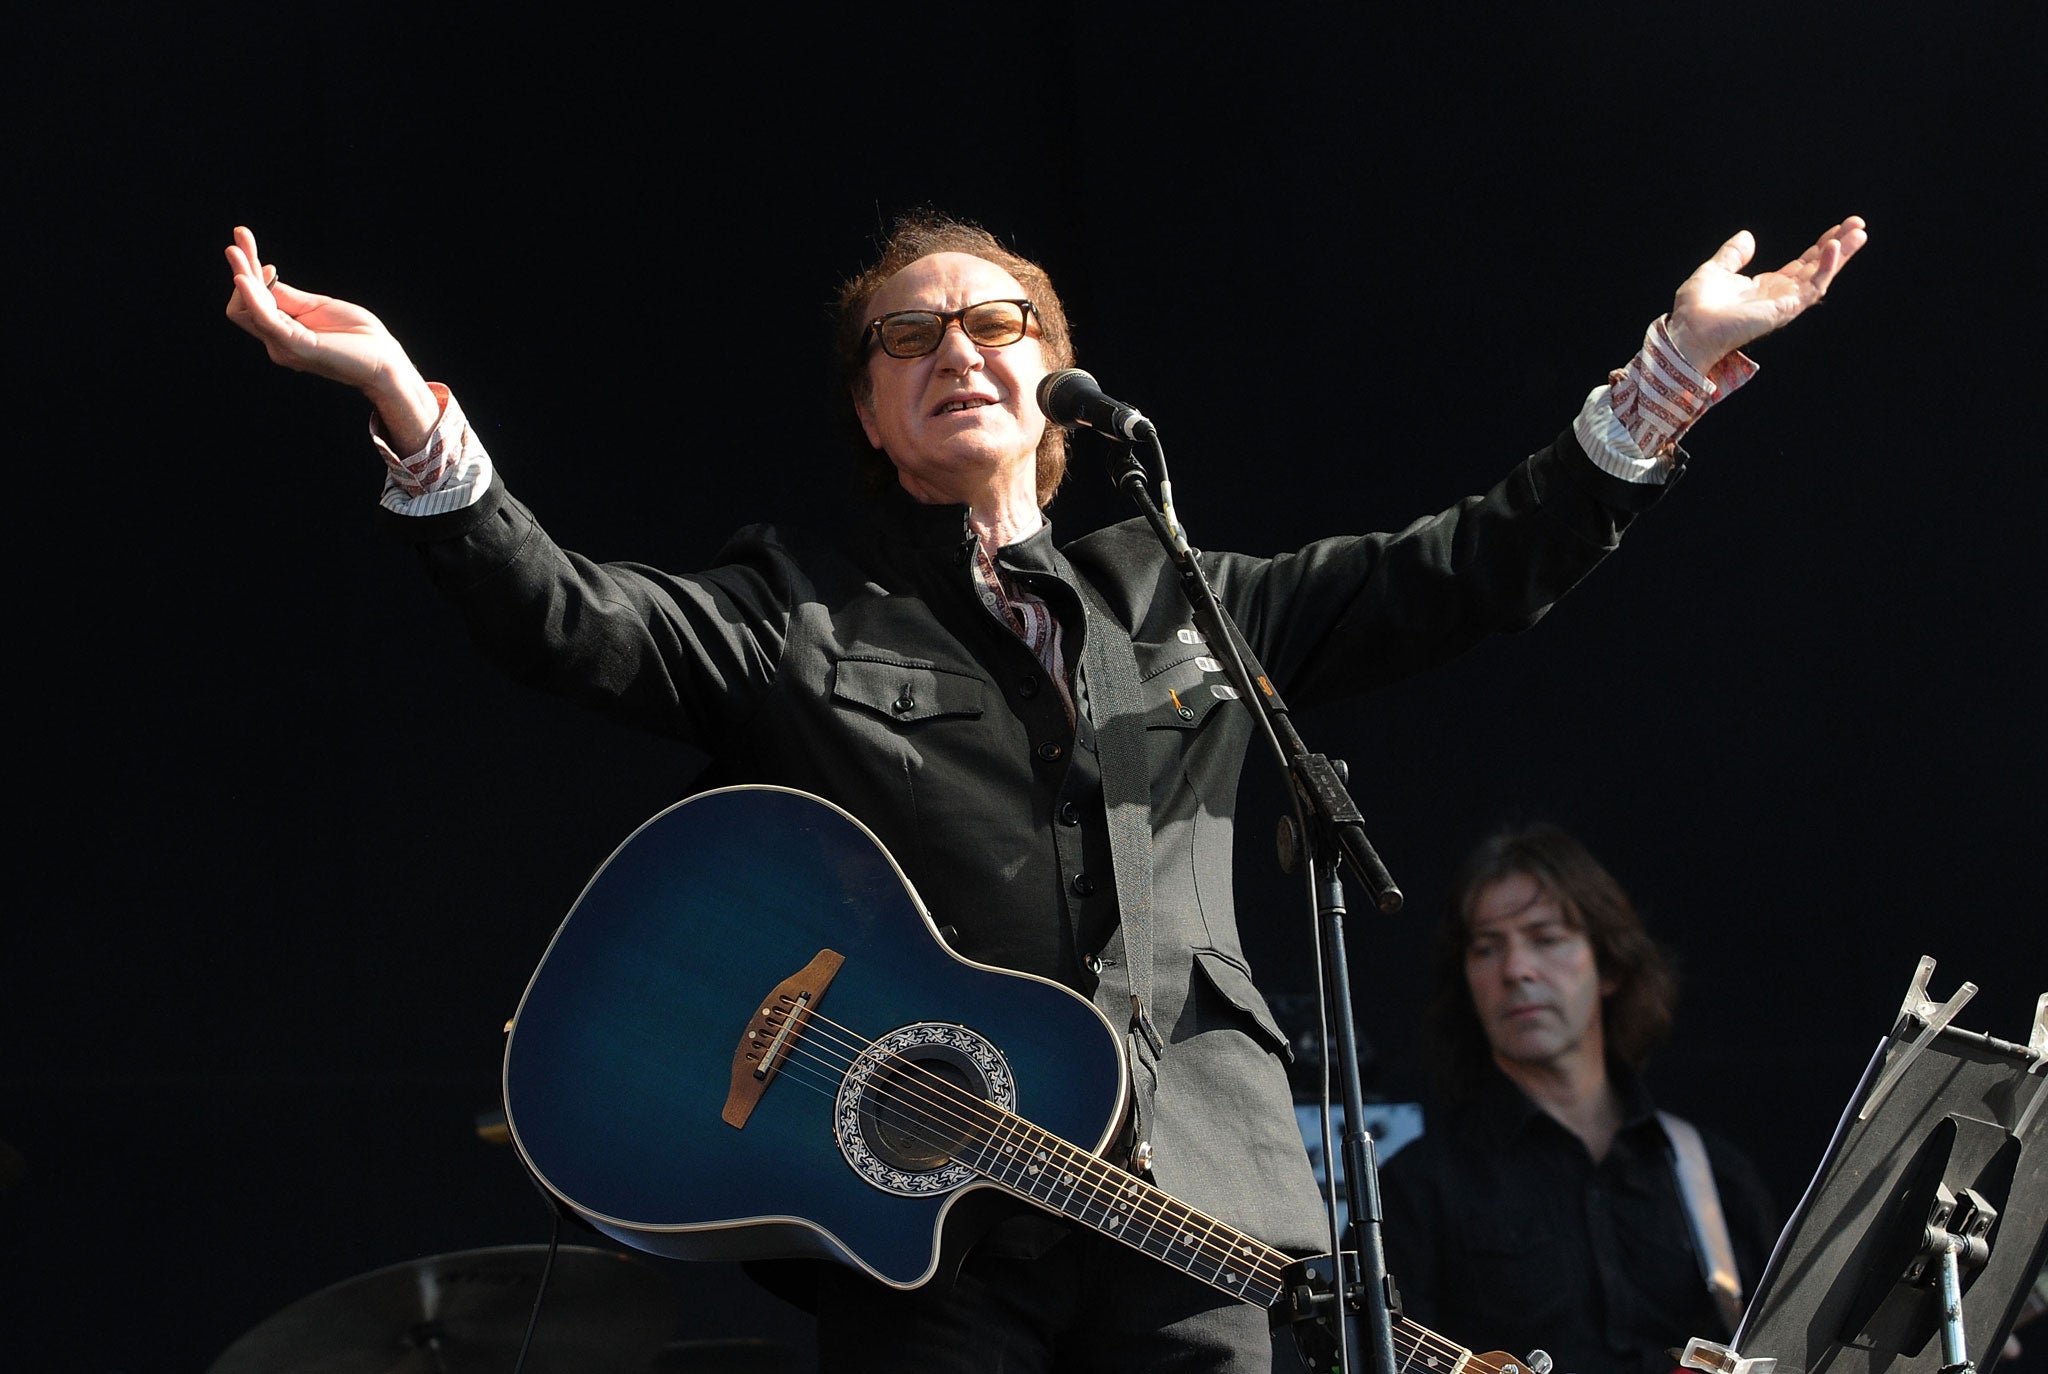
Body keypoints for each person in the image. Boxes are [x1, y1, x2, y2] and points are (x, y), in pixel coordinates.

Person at [222, 209, 1864, 1373]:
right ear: (870, 412)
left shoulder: (1185, 600)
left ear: (1056, 389)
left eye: (995, 320)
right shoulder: (793, 609)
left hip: (1203, 1210)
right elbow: (569, 619)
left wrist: (1663, 374)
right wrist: (402, 406)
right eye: (908, 333)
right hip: (932, 1229)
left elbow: (1467, 569)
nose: (956, 347)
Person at [1378, 824, 1780, 1374]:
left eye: (1546, 938)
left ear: (1609, 965)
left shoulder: (1715, 1177)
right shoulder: (1417, 1189)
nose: (1515, 969)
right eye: (1486, 948)